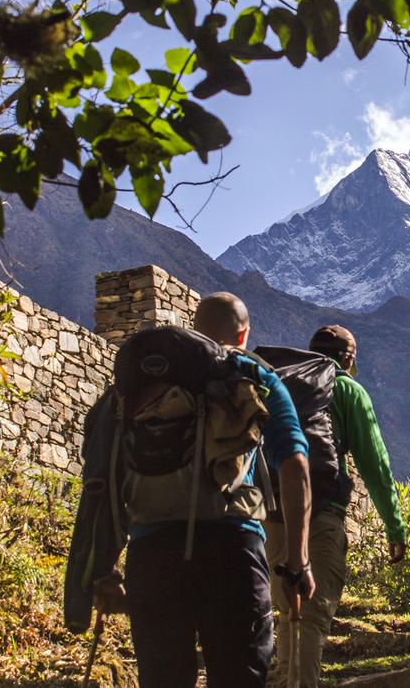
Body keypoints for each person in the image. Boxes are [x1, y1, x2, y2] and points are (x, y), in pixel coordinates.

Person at [91, 292, 315, 688]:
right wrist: (297, 561)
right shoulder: (249, 373)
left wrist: (102, 567)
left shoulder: (140, 386)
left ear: (194, 330)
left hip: (152, 554)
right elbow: (295, 465)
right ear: (243, 334)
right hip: (232, 549)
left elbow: (102, 477)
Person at [265, 324, 407, 688]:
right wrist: (394, 525)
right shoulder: (347, 390)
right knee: (310, 616)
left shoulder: (280, 386)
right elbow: (375, 464)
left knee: (285, 612)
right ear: (348, 359)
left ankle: (285, 680)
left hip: (271, 516)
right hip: (321, 513)